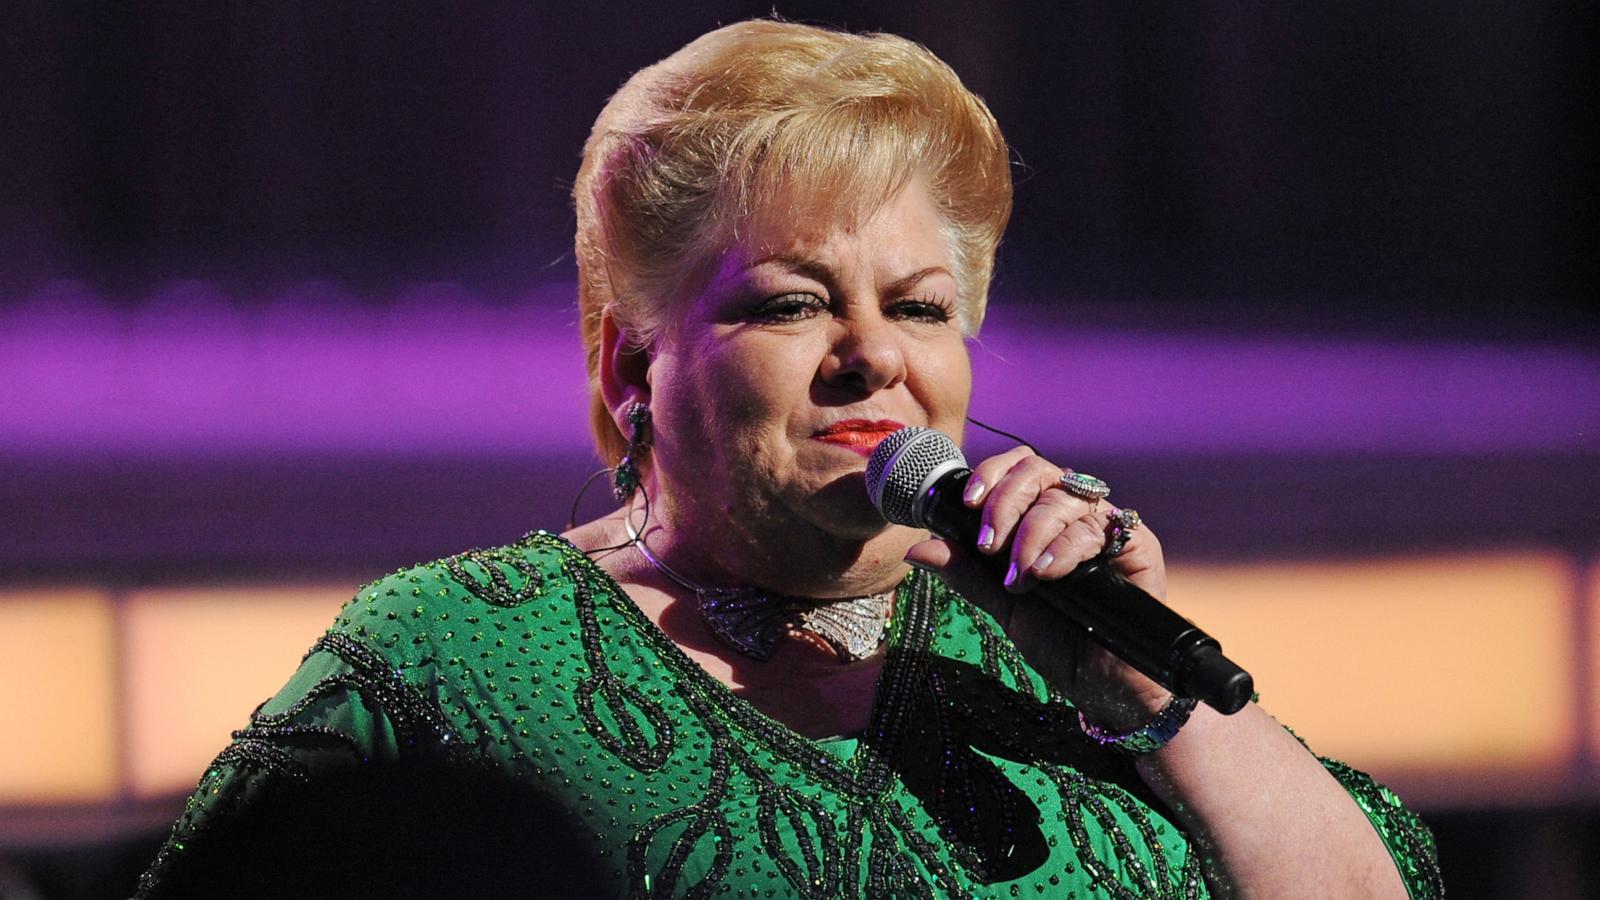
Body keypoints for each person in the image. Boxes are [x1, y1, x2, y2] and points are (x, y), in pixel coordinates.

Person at [139, 20, 1441, 899]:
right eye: (791, 302)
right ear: (627, 367)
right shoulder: (450, 659)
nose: (874, 356)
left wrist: (1143, 686)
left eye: (921, 307)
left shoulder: (1061, 648)